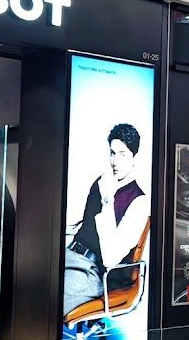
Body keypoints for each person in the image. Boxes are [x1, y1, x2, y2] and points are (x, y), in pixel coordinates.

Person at [64, 123, 150, 315]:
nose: (115, 161)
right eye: (112, 153)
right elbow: (82, 223)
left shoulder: (139, 201)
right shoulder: (102, 181)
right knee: (29, 284)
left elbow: (111, 257)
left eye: (122, 154)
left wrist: (107, 200)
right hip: (70, 255)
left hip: (94, 272)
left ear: (134, 157)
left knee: (47, 299)